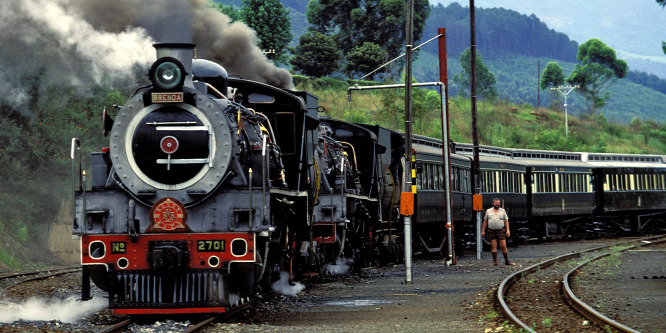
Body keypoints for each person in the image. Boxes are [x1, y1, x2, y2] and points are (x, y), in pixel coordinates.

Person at [481, 198, 515, 266]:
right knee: (493, 246)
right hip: (491, 231)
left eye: (498, 203)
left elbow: (506, 221)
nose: (497, 204)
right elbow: (485, 221)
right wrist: (483, 231)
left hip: (500, 231)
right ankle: (495, 261)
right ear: (493, 203)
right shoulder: (488, 211)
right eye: (496, 203)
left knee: (503, 246)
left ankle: (506, 261)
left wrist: (508, 230)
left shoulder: (502, 211)